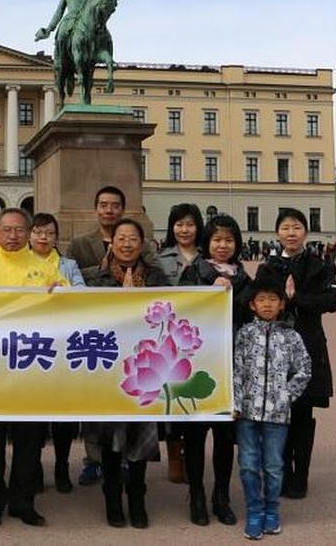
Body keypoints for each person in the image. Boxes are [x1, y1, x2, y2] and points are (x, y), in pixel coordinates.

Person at [0, 208, 64, 529]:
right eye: (6, 230)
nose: (13, 236)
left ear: (28, 233)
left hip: (30, 368)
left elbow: (71, 305)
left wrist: (61, 294)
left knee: (29, 441)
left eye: (19, 230)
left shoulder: (46, 269)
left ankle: (23, 501)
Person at [66, 186, 153, 487]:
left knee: (131, 396)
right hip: (100, 336)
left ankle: (127, 457)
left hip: (137, 340)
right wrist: (103, 268)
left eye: (115, 205)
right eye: (103, 205)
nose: (109, 210)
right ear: (96, 209)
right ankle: (94, 459)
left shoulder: (143, 246)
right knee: (97, 400)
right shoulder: (80, 243)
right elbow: (72, 278)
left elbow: (160, 280)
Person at [84, 218, 167, 529]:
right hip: (107, 366)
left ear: (142, 243)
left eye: (133, 238)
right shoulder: (94, 278)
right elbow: (84, 317)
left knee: (139, 435)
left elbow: (172, 313)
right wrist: (123, 296)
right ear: (112, 242)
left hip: (145, 367)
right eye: (122, 238)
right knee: (108, 437)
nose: (127, 243)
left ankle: (137, 496)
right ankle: (111, 498)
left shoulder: (157, 277)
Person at [259, 209, 336, 500]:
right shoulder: (268, 267)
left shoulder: (319, 264)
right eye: (285, 227)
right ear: (277, 233)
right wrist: (281, 302)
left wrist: (296, 299)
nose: (291, 233)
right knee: (277, 414)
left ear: (305, 232)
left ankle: (300, 476)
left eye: (296, 227)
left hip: (308, 347)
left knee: (303, 413)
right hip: (274, 349)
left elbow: (333, 301)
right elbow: (259, 301)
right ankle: (282, 472)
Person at [178, 213, 252, 527]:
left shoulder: (246, 279)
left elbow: (249, 320)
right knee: (194, 435)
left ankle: (221, 495)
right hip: (198, 365)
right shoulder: (193, 272)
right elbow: (180, 311)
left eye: (229, 240)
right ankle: (196, 493)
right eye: (217, 240)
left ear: (237, 244)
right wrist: (211, 287)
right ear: (207, 242)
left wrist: (230, 293)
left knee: (225, 437)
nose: (223, 246)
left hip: (231, 367)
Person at [234, 271, 312, 540]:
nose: (267, 304)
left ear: (282, 304)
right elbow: (235, 370)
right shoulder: (244, 335)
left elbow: (304, 370)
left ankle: (272, 510)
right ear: (252, 305)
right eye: (261, 300)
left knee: (274, 465)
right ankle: (254, 510)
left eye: (273, 299)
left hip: (278, 413)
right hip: (246, 411)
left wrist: (286, 396)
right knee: (247, 463)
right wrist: (235, 401)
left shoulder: (291, 337)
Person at [29, 212, 83, 494]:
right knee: (35, 411)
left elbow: (83, 293)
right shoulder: (19, 264)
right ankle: (34, 466)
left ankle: (62, 465)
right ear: (30, 235)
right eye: (38, 232)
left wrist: (66, 290)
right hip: (30, 346)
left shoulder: (68, 265)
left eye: (49, 233)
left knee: (63, 412)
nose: (43, 237)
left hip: (63, 344)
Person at [156, 203, 206, 485]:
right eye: (178, 224)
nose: (184, 229)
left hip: (203, 337)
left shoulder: (209, 257)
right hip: (170, 340)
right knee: (172, 396)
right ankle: (174, 454)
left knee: (196, 395)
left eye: (189, 224)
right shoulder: (161, 258)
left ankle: (192, 453)